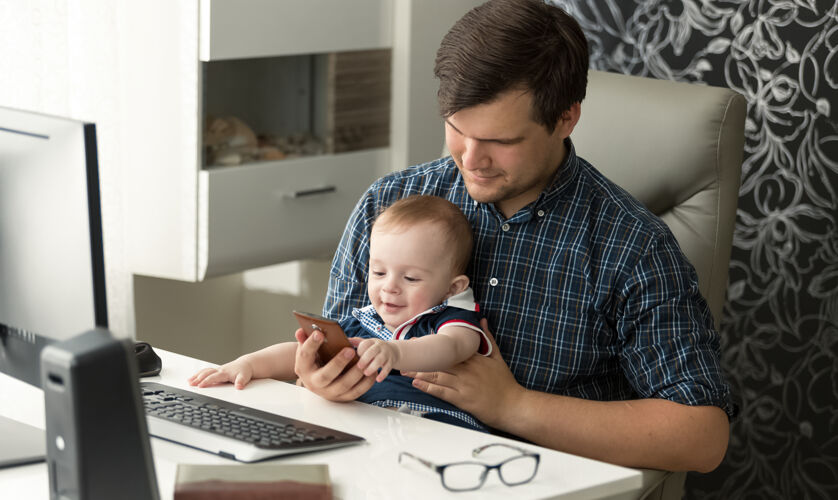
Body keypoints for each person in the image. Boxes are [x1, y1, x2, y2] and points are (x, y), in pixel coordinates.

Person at [292, 0, 735, 473]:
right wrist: (319, 378)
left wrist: (512, 406)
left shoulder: (631, 246)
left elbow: (701, 438)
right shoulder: (392, 202)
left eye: (501, 142)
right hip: (381, 471)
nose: (471, 159)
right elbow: (336, 346)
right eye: (458, 130)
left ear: (565, 118)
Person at [188, 195, 493, 431]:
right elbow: (300, 355)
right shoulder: (364, 322)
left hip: (436, 427)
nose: (390, 287)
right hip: (368, 427)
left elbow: (451, 348)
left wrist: (394, 353)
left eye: (410, 278)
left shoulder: (450, 320)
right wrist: (248, 364)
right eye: (378, 272)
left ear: (453, 287)